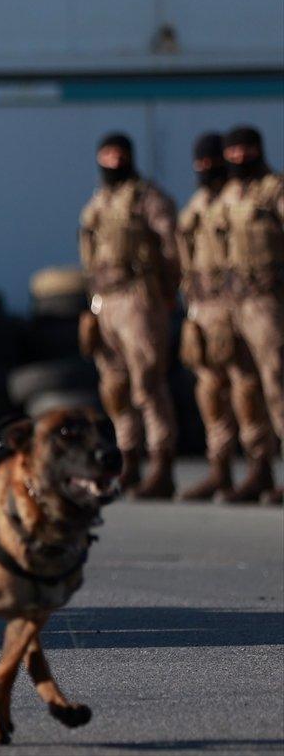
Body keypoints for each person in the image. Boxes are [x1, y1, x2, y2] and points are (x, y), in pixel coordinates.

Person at [79, 132, 179, 498]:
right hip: (104, 300)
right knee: (114, 386)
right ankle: (128, 460)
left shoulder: (147, 198)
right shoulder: (98, 201)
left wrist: (168, 294)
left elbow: (172, 248)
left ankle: (162, 463)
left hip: (138, 298)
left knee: (147, 383)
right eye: (107, 154)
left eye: (119, 154)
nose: (114, 161)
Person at [177, 134, 276, 501]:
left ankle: (260, 466)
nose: (208, 167)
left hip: (254, 303)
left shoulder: (262, 194)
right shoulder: (203, 203)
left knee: (254, 386)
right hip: (210, 308)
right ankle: (221, 469)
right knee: (211, 389)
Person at [219, 126, 284, 503]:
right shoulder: (227, 195)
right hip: (231, 304)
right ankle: (259, 468)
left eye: (246, 149)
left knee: (277, 383)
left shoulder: (274, 190)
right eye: (233, 150)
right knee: (243, 387)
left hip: (267, 302)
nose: (239, 157)